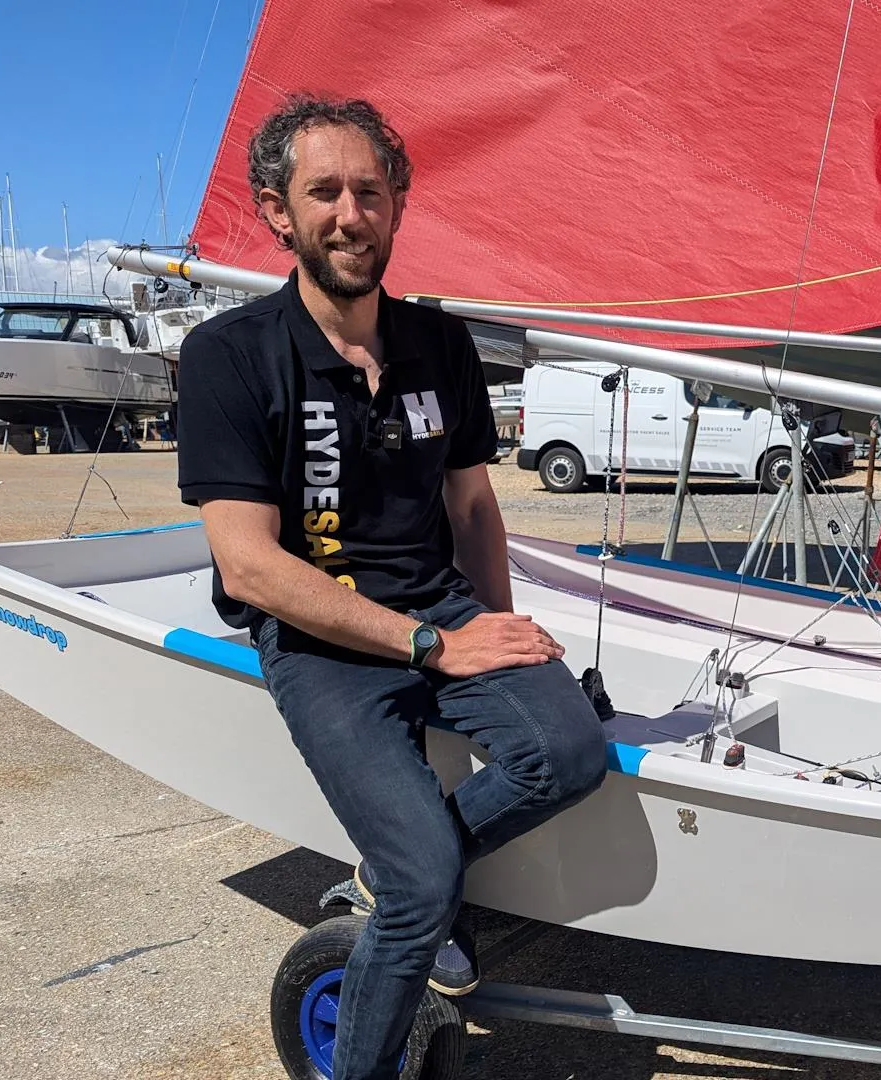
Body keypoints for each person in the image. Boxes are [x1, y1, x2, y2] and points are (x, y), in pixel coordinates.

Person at [173, 95, 609, 1080]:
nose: (350, 213)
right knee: (425, 890)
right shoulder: (231, 357)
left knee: (572, 749)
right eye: (323, 191)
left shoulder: (439, 347)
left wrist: (493, 629)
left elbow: (475, 510)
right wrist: (430, 648)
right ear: (278, 212)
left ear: (398, 206)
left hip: (441, 610)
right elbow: (248, 565)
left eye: (370, 191)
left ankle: (398, 867)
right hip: (319, 641)